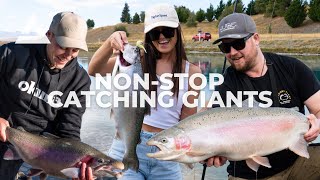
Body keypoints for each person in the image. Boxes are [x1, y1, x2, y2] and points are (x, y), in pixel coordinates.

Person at [88, 3, 202, 180]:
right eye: (156, 33)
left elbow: (185, 124)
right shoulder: (135, 61)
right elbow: (94, 70)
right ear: (148, 36)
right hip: (127, 145)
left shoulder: (193, 73)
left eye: (168, 31)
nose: (162, 37)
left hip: (166, 154)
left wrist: (195, 152)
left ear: (177, 31)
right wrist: (110, 42)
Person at [205, 13, 320, 180]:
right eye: (225, 48)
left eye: (238, 44)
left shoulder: (292, 68)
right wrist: (213, 154)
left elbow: (318, 109)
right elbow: (212, 132)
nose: (232, 52)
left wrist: (317, 124)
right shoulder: (226, 85)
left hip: (297, 162)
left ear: (256, 38)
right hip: (250, 175)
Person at [0, 12, 92, 179]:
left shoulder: (80, 81)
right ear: (49, 35)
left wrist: (76, 165)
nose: (69, 55)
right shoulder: (11, 53)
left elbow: (69, 131)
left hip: (38, 153)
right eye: (63, 46)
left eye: (75, 50)